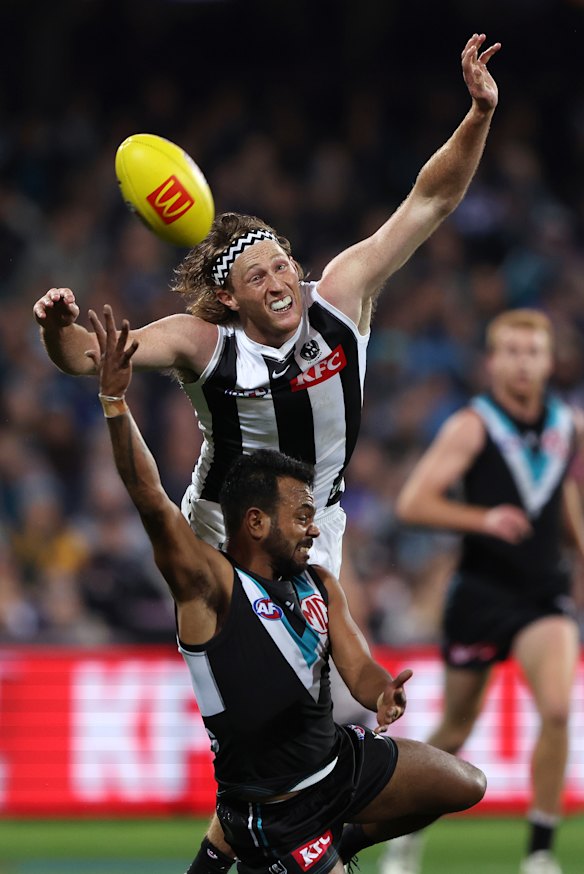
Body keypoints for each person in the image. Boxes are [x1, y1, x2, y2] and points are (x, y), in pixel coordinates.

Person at [32, 31, 500, 873]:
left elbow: (429, 201)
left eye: (285, 263)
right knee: (259, 709)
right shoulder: (201, 342)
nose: (281, 281)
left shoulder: (344, 296)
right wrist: (59, 327)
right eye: (260, 277)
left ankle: (294, 837)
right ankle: (278, 835)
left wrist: (477, 114)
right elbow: (92, 359)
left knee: (309, 709)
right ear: (229, 297)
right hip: (222, 533)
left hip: (314, 522)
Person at [88, 303, 487, 874]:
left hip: (340, 764)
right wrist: (114, 404)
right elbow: (151, 499)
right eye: (301, 515)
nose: (313, 526)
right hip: (276, 807)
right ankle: (247, 840)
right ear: (255, 522)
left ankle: (341, 841)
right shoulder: (210, 587)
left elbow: (358, 664)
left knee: (465, 784)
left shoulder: (319, 580)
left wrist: (380, 695)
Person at [383, 310, 583, 874]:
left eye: (533, 351)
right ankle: (404, 834)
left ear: (549, 361)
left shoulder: (567, 425)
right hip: (480, 594)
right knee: (457, 729)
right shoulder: (473, 424)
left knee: (558, 709)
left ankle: (540, 854)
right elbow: (413, 502)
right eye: (511, 351)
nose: (523, 362)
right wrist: (484, 518)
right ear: (492, 362)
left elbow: (560, 496)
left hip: (544, 595)